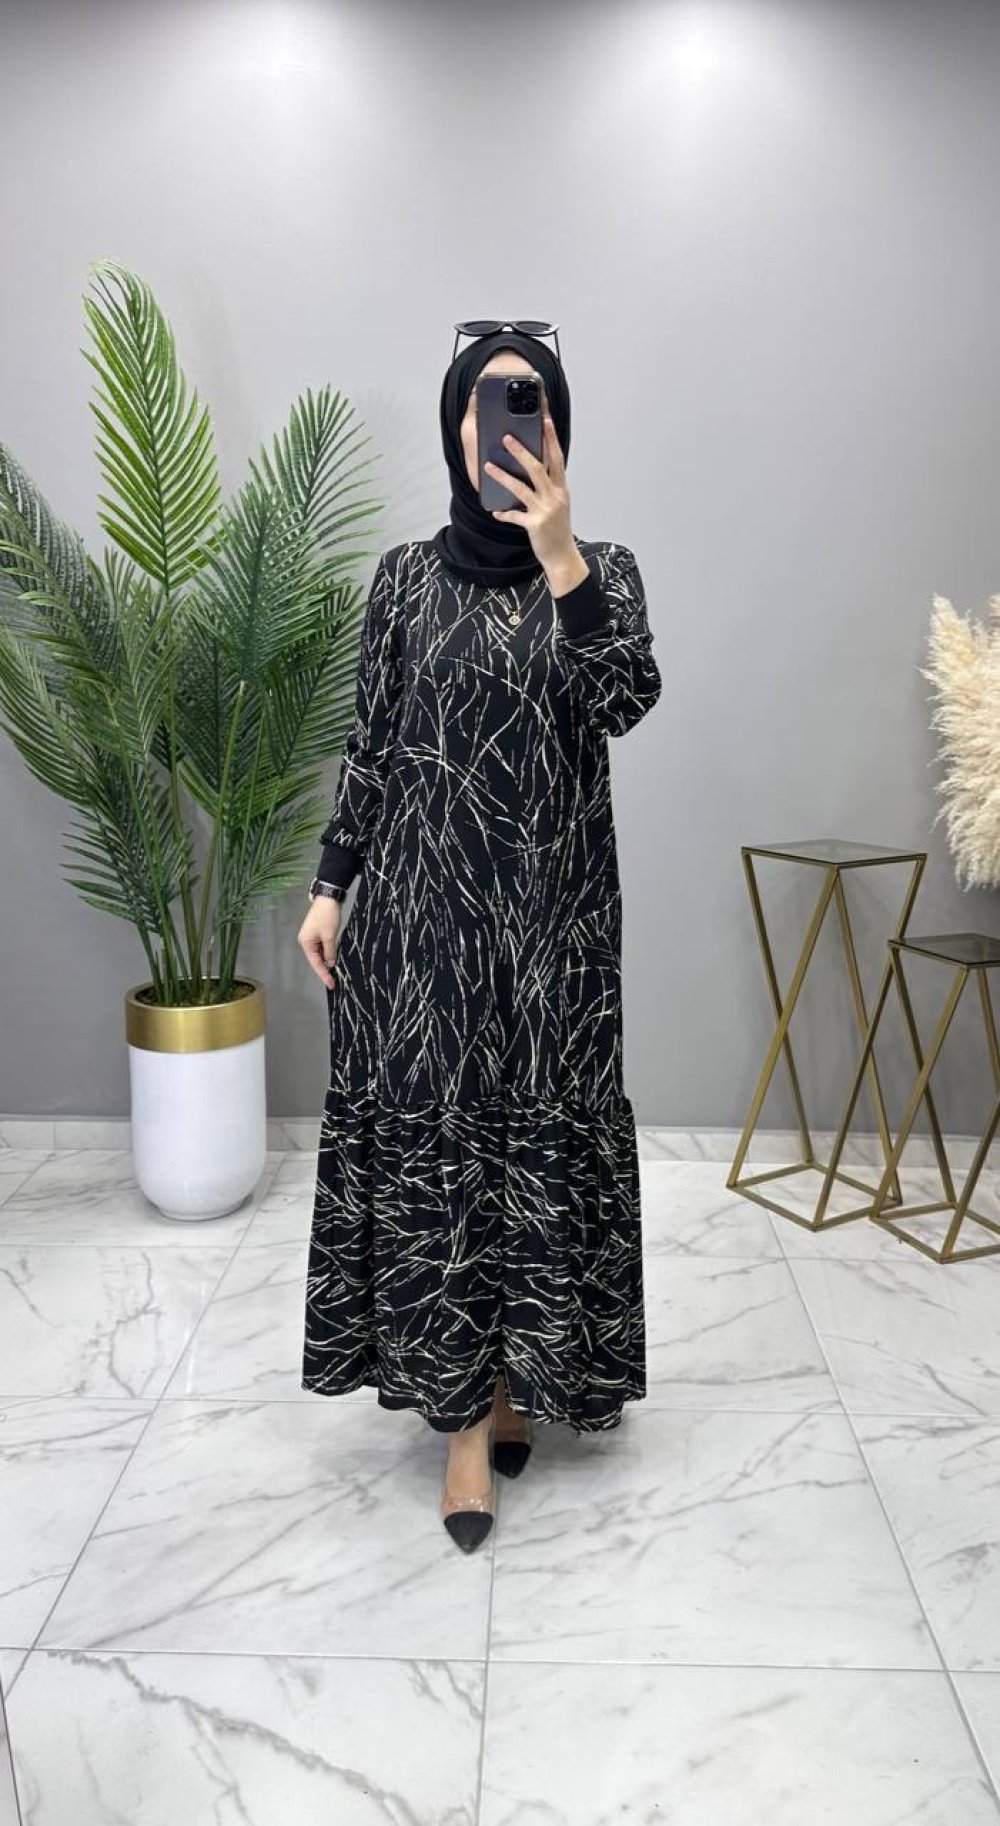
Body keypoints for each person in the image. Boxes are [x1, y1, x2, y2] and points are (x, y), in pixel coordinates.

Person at [296, 326, 662, 1553]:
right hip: (425, 934)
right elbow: (373, 742)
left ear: (558, 428)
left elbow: (622, 700)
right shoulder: (403, 578)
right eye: (486, 405)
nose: (507, 426)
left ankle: (515, 1381)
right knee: (446, 1170)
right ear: (456, 427)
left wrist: (560, 558)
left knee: (530, 1153)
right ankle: (463, 1421)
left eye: (531, 403)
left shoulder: (603, 569)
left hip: (556, 934)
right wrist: (331, 885)